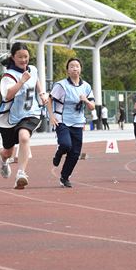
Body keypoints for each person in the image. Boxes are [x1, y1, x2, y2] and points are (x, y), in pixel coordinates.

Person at [0, 42, 49, 189]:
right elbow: (7, 95)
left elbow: (36, 79)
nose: (24, 60)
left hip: (31, 112)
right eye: (20, 57)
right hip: (10, 118)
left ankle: (21, 173)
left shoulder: (32, 69)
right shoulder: (8, 76)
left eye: (26, 57)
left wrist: (41, 93)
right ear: (13, 57)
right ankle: (4, 160)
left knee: (24, 137)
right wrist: (21, 81)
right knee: (8, 151)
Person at [47, 58, 95, 188]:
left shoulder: (86, 86)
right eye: (72, 66)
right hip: (62, 120)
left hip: (78, 123)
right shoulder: (61, 85)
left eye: (77, 66)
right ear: (67, 70)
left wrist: (86, 100)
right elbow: (49, 100)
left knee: (75, 153)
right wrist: (51, 116)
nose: (75, 68)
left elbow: (92, 107)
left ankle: (65, 176)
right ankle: (58, 153)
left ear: (80, 69)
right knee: (66, 145)